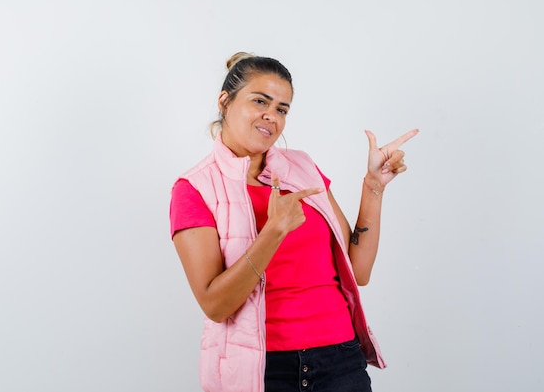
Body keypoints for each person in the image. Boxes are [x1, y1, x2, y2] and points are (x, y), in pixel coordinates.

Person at [169, 52, 418, 392]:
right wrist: (274, 231)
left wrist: (373, 186)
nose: (270, 116)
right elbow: (216, 305)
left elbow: (358, 270)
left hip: (340, 361)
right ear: (225, 101)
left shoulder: (302, 167)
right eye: (260, 101)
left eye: (282, 109)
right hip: (263, 370)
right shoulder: (194, 188)